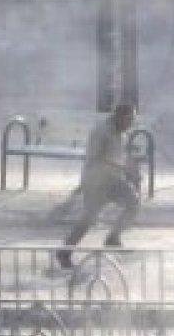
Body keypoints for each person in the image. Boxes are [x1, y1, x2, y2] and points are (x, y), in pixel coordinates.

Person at [55, 103, 141, 270]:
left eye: (133, 120)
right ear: (119, 117)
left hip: (113, 180)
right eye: (129, 119)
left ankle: (113, 238)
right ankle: (64, 252)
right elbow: (96, 158)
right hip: (96, 181)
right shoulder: (102, 132)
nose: (131, 123)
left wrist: (130, 168)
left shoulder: (121, 133)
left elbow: (120, 156)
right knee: (88, 219)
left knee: (133, 202)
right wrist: (122, 167)